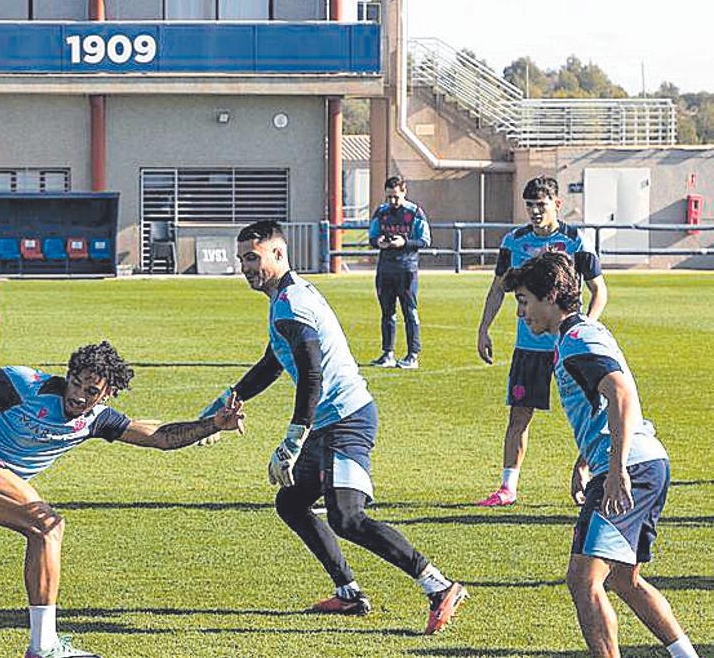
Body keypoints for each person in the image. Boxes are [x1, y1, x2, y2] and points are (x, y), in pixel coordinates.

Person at [0, 341, 246, 658]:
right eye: (76, 383)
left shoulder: (96, 419)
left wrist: (213, 424)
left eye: (91, 392)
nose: (79, 396)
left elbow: (159, 437)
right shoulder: (26, 384)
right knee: (48, 525)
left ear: (106, 394)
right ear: (68, 375)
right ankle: (43, 645)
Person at [198, 220, 466, 634]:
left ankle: (438, 585)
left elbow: (311, 376)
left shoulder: (291, 304)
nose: (246, 267)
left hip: (346, 420)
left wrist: (291, 440)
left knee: (347, 516)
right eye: (242, 260)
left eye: (253, 257)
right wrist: (229, 398)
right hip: (327, 423)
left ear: (278, 254)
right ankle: (348, 593)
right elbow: (274, 361)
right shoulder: (286, 297)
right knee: (291, 502)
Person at [502, 251, 697, 658]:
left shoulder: (577, 340)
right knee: (624, 579)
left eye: (524, 300)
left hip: (632, 465)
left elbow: (620, 393)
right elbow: (605, 403)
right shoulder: (581, 333)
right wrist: (586, 460)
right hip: (645, 461)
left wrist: (614, 469)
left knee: (583, 579)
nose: (521, 313)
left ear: (551, 296)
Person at [476, 175, 607, 507]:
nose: (535, 210)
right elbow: (497, 290)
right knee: (519, 415)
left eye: (542, 204)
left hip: (569, 347)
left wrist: (581, 331)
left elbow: (599, 291)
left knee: (593, 413)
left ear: (556, 204)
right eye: (530, 205)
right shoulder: (514, 242)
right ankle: (508, 488)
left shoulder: (575, 240)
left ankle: (594, 473)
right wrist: (483, 329)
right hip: (529, 347)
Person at [367, 176, 430, 369]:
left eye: (395, 197)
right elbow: (372, 236)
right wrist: (379, 242)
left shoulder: (415, 212)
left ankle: (413, 355)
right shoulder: (382, 212)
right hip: (385, 269)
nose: (392, 201)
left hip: (406, 269)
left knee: (409, 311)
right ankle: (388, 354)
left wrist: (405, 243)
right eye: (389, 197)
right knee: (387, 313)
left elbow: (425, 240)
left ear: (404, 192)